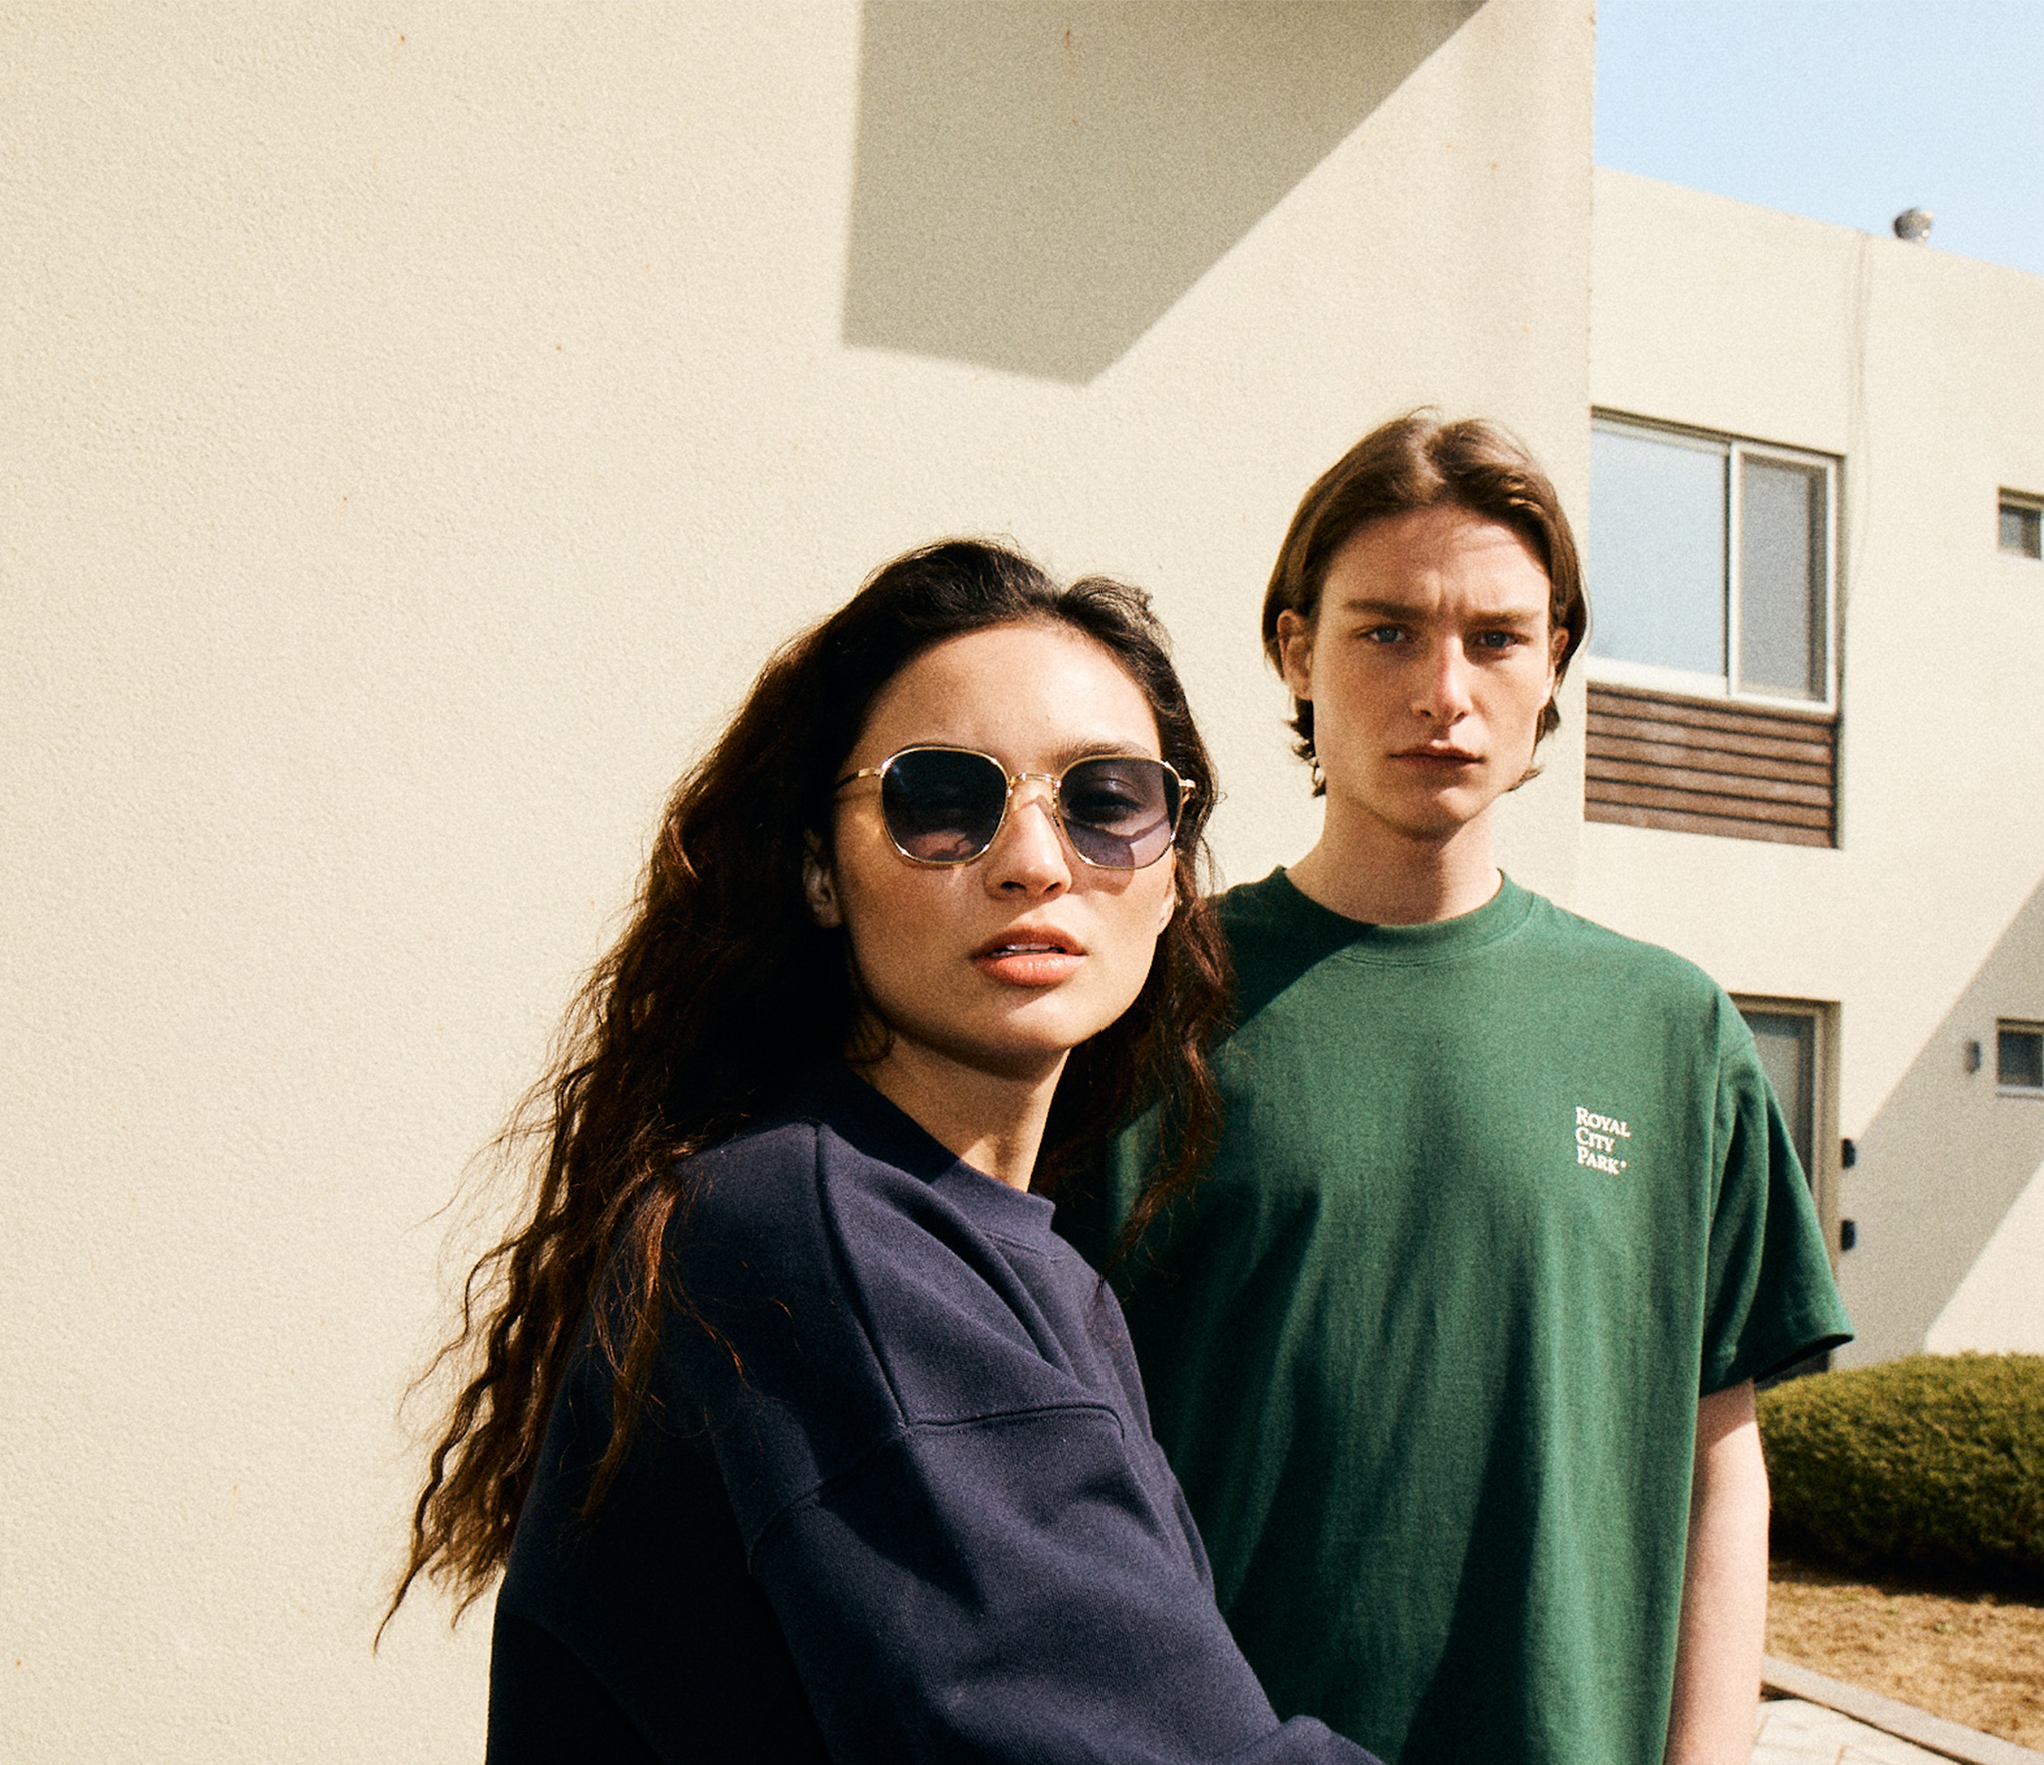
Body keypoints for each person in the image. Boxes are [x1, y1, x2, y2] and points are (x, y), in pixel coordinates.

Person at [386, 539, 1381, 1764]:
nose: (1034, 861)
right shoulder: (820, 1241)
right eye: (942, 800)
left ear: (1172, 869)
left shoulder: (988, 1251)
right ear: (819, 869)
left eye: (1106, 799)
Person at [1062, 415, 1853, 1765]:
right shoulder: (1143, 1003)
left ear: (1553, 663)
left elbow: (1720, 1458)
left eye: (1495, 637)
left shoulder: (1673, 1032)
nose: (1445, 690)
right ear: (1294, 648)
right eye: (1387, 631)